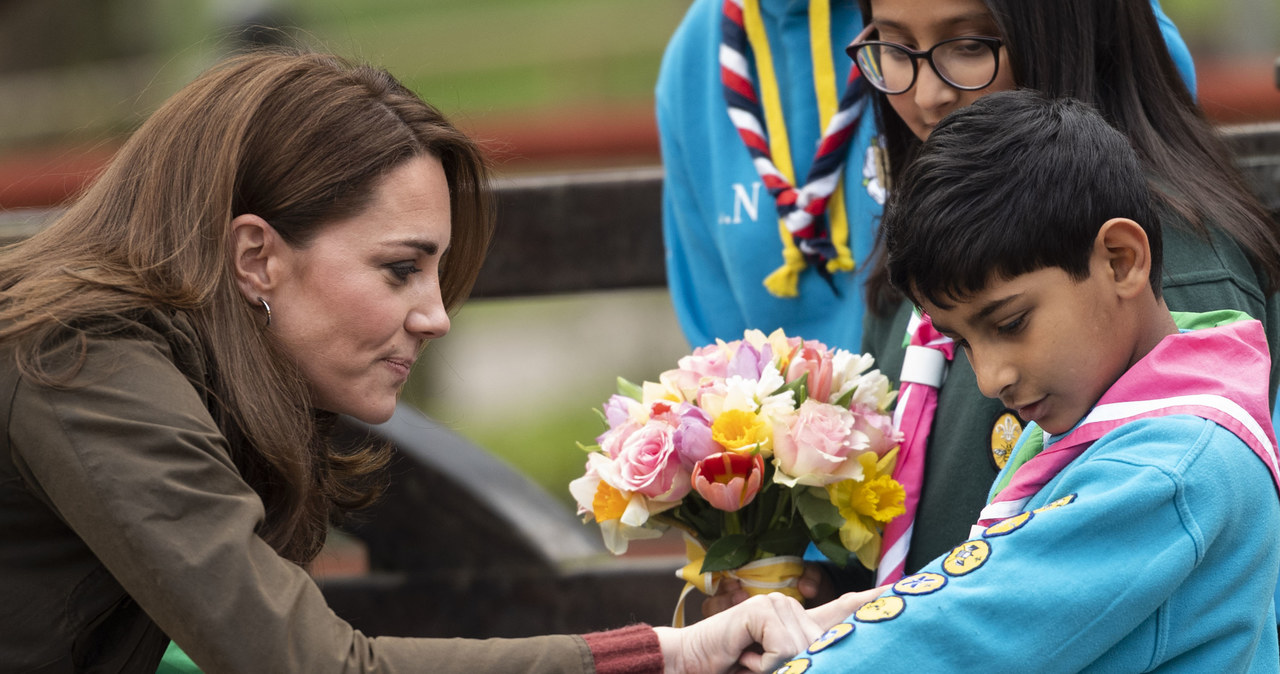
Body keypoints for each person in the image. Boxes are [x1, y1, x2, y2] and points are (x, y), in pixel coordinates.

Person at [0, 48, 872, 674]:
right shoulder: (80, 360)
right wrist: (663, 655)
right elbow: (307, 664)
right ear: (256, 257)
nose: (436, 316)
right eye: (400, 269)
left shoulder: (133, 356)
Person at [659, 0, 1231, 613]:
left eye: (970, 46)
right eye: (896, 51)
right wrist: (832, 600)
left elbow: (1064, 612)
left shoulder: (1159, 294)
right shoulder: (924, 261)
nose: (929, 95)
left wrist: (859, 641)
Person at [782, 88, 1280, 672]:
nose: (991, 379)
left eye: (1011, 323)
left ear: (1121, 259)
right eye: (962, 341)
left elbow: (962, 635)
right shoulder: (1120, 411)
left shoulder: (1165, 474)